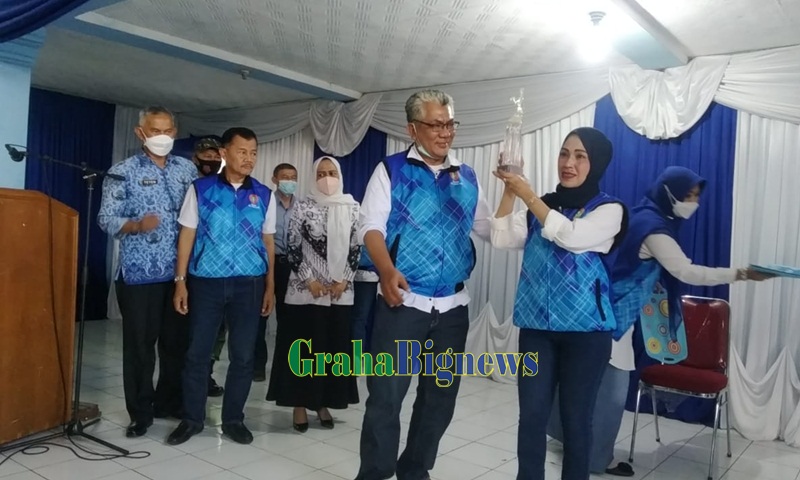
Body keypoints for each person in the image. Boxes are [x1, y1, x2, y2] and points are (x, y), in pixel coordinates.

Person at [546, 166, 772, 477]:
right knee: (610, 393)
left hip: (600, 306)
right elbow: (686, 271)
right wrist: (741, 273)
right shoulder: (654, 229)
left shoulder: (643, 215)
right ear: (669, 193)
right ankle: (596, 459)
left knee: (585, 384)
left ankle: (573, 443)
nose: (693, 203)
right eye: (688, 196)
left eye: (696, 197)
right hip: (613, 314)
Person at [356, 89, 492, 480]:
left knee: (439, 399)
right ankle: (375, 473)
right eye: (436, 124)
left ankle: (414, 469)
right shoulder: (392, 170)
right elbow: (370, 226)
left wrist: (516, 194)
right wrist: (386, 270)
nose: (445, 132)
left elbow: (486, 227)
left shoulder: (465, 176)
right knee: (386, 397)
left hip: (452, 307)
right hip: (404, 302)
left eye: (450, 124)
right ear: (412, 129)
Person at [491, 127, 626, 480]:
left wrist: (528, 194)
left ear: (597, 163)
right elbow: (502, 237)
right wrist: (510, 191)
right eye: (564, 153)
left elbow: (570, 236)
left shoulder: (609, 209)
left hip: (586, 334)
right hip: (537, 330)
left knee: (575, 419)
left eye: (580, 156)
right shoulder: (542, 206)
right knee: (531, 416)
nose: (569, 163)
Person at [167, 127, 276, 446]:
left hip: (249, 284)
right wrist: (180, 282)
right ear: (225, 153)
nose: (249, 158)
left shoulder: (263, 194)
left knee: (243, 356)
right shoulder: (201, 190)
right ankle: (192, 419)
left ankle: (233, 420)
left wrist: (269, 285)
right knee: (197, 354)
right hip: (207, 283)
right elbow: (187, 235)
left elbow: (268, 241)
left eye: (254, 153)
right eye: (242, 152)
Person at [98, 106, 198, 437]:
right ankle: (140, 413)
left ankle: (169, 401)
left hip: (180, 275)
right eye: (155, 131)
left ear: (175, 132)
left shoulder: (187, 169)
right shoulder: (122, 171)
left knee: (176, 345)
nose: (162, 137)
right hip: (139, 275)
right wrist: (137, 225)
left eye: (168, 131)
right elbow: (106, 218)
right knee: (140, 349)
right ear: (140, 132)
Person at [266, 156, 360, 430]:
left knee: (331, 349)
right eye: (320, 173)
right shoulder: (303, 206)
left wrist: (344, 279)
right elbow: (292, 246)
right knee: (304, 348)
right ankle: (299, 404)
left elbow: (356, 247)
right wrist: (310, 280)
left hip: (339, 293)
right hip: (306, 292)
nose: (326, 178)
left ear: (339, 175)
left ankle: (322, 402)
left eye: (331, 173)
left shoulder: (353, 206)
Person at [253, 162, 298, 381]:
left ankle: (285, 367)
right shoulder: (265, 202)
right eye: (285, 177)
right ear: (275, 179)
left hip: (293, 268)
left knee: (288, 319)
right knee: (261, 316)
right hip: (269, 264)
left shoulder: (302, 206)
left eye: (293, 177)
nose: (289, 181)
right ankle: (258, 365)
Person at [192, 136, 226, 398]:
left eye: (216, 157)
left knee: (218, 330)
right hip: (195, 269)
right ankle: (191, 379)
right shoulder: (190, 186)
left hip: (222, 268)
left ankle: (207, 375)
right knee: (196, 330)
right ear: (196, 157)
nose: (211, 161)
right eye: (206, 156)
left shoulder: (225, 186)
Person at [352, 246, 378, 352]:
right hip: (360, 275)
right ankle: (358, 356)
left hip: (375, 276)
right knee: (360, 319)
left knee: (366, 319)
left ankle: (362, 356)